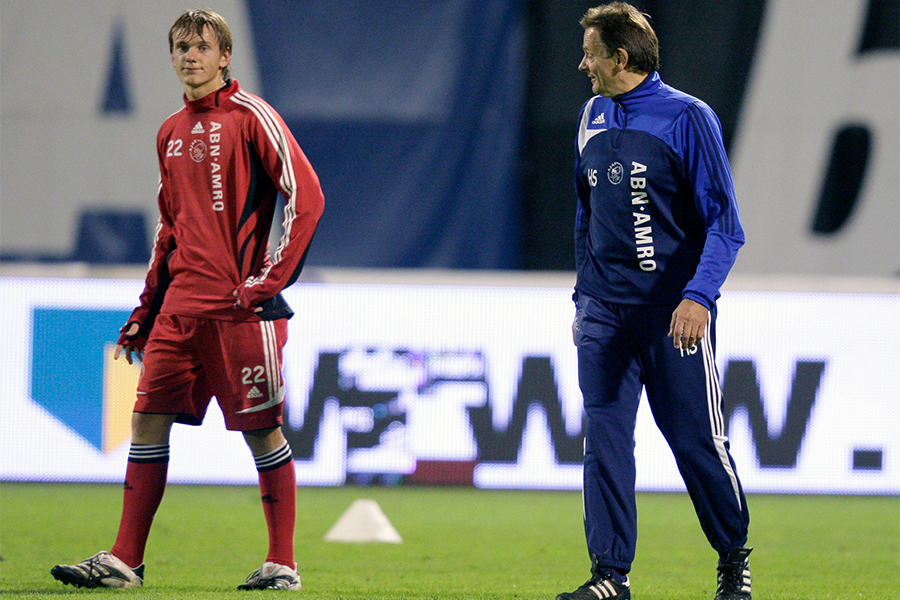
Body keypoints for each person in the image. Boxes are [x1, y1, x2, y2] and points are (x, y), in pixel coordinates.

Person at [51, 9, 324, 591]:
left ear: (225, 56)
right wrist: (143, 314)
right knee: (146, 422)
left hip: (239, 309)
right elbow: (168, 230)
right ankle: (126, 559)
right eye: (180, 46)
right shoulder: (169, 131)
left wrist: (266, 283)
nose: (189, 55)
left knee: (262, 431)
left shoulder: (254, 117)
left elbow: (308, 198)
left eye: (201, 46)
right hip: (179, 308)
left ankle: (283, 563)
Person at [559, 3, 751, 600]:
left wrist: (698, 297)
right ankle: (609, 577)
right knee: (604, 442)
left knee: (695, 442)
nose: (582, 63)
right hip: (604, 313)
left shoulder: (689, 117)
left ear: (620, 58)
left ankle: (733, 559)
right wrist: (581, 296)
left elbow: (726, 225)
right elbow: (585, 213)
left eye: (591, 52)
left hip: (673, 317)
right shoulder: (592, 113)